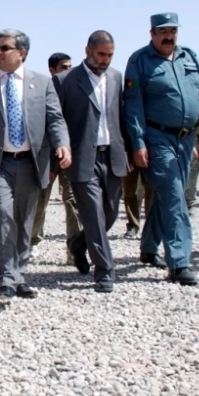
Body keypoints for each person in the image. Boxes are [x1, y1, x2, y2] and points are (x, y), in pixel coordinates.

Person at [0, 29, 71, 304]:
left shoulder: (42, 83)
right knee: (2, 215)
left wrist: (62, 144)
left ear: (21, 52)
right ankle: (6, 280)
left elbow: (55, 119)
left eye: (4, 48)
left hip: (32, 163)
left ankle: (19, 274)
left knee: (24, 222)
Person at [123, 12, 199, 286]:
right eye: (163, 31)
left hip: (185, 139)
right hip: (158, 138)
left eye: (173, 31)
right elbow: (132, 106)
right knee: (175, 196)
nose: (169, 36)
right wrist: (138, 143)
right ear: (152, 34)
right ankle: (179, 263)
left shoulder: (188, 56)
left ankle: (147, 248)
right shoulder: (140, 61)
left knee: (167, 195)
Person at [53, 31, 128, 293]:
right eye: (101, 54)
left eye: (110, 55)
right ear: (88, 51)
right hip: (83, 158)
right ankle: (105, 270)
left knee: (109, 214)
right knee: (94, 215)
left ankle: (77, 243)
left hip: (114, 155)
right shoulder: (65, 81)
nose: (106, 60)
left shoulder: (117, 78)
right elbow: (56, 120)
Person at [31, 52, 81, 265]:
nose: (68, 71)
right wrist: (49, 163)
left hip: (72, 156)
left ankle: (74, 249)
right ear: (52, 70)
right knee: (39, 202)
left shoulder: (78, 91)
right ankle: (33, 241)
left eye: (70, 66)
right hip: (48, 157)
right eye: (63, 67)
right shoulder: (43, 91)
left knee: (72, 202)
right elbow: (42, 128)